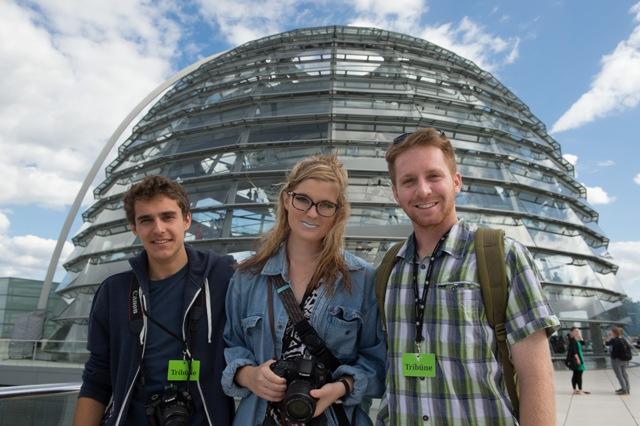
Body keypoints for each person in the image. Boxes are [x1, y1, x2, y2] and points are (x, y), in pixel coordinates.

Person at [377, 128, 560, 425]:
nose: (423, 190)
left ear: (456, 181)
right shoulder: (389, 269)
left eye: (434, 176)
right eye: (409, 181)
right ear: (396, 193)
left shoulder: (503, 256)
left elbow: (536, 375)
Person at [222, 154, 386, 425]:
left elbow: (377, 360)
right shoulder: (247, 277)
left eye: (325, 205)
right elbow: (231, 346)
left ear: (338, 212)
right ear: (287, 199)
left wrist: (341, 387)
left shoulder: (361, 278)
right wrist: (249, 376)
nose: (312, 213)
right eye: (302, 199)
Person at [73, 175, 235, 425]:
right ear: (134, 228)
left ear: (187, 220)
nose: (158, 229)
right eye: (146, 220)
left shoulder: (223, 277)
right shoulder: (114, 292)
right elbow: (97, 376)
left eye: (168, 217)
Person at [605, 326, 631, 395]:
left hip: (616, 360)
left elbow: (606, 343)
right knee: (624, 374)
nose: (610, 333)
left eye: (611, 332)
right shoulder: (623, 339)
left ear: (614, 333)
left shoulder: (614, 340)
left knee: (619, 375)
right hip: (625, 359)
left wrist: (608, 337)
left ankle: (624, 390)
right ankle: (627, 389)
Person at [566, 327, 589, 395]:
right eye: (576, 331)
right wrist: (578, 359)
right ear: (572, 332)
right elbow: (574, 351)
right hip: (577, 359)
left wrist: (580, 336)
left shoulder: (576, 339)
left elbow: (583, 343)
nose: (577, 332)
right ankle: (579, 390)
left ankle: (576, 390)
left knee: (576, 374)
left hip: (579, 358)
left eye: (578, 331)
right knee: (578, 375)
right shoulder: (572, 339)